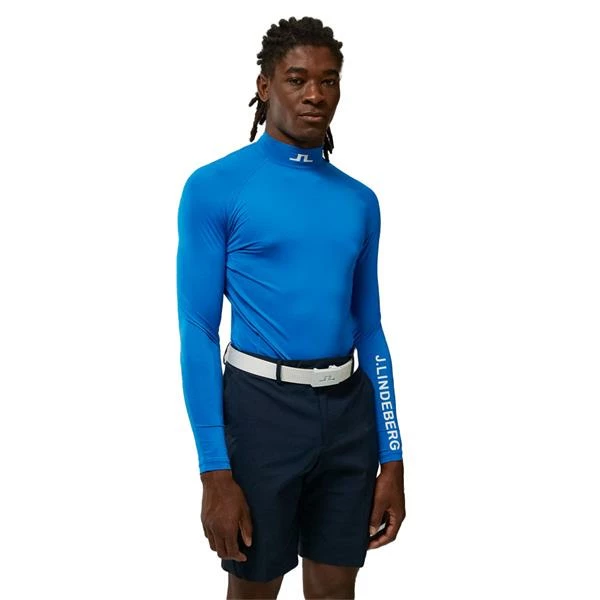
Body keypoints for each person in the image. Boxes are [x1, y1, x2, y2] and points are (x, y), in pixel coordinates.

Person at [176, 16, 406, 600]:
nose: (314, 94)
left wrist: (392, 455)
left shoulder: (359, 200)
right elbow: (198, 329)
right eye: (297, 78)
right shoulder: (215, 187)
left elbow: (370, 329)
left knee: (334, 591)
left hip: (348, 412)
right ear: (264, 85)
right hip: (261, 412)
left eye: (328, 80)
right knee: (255, 590)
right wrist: (214, 470)